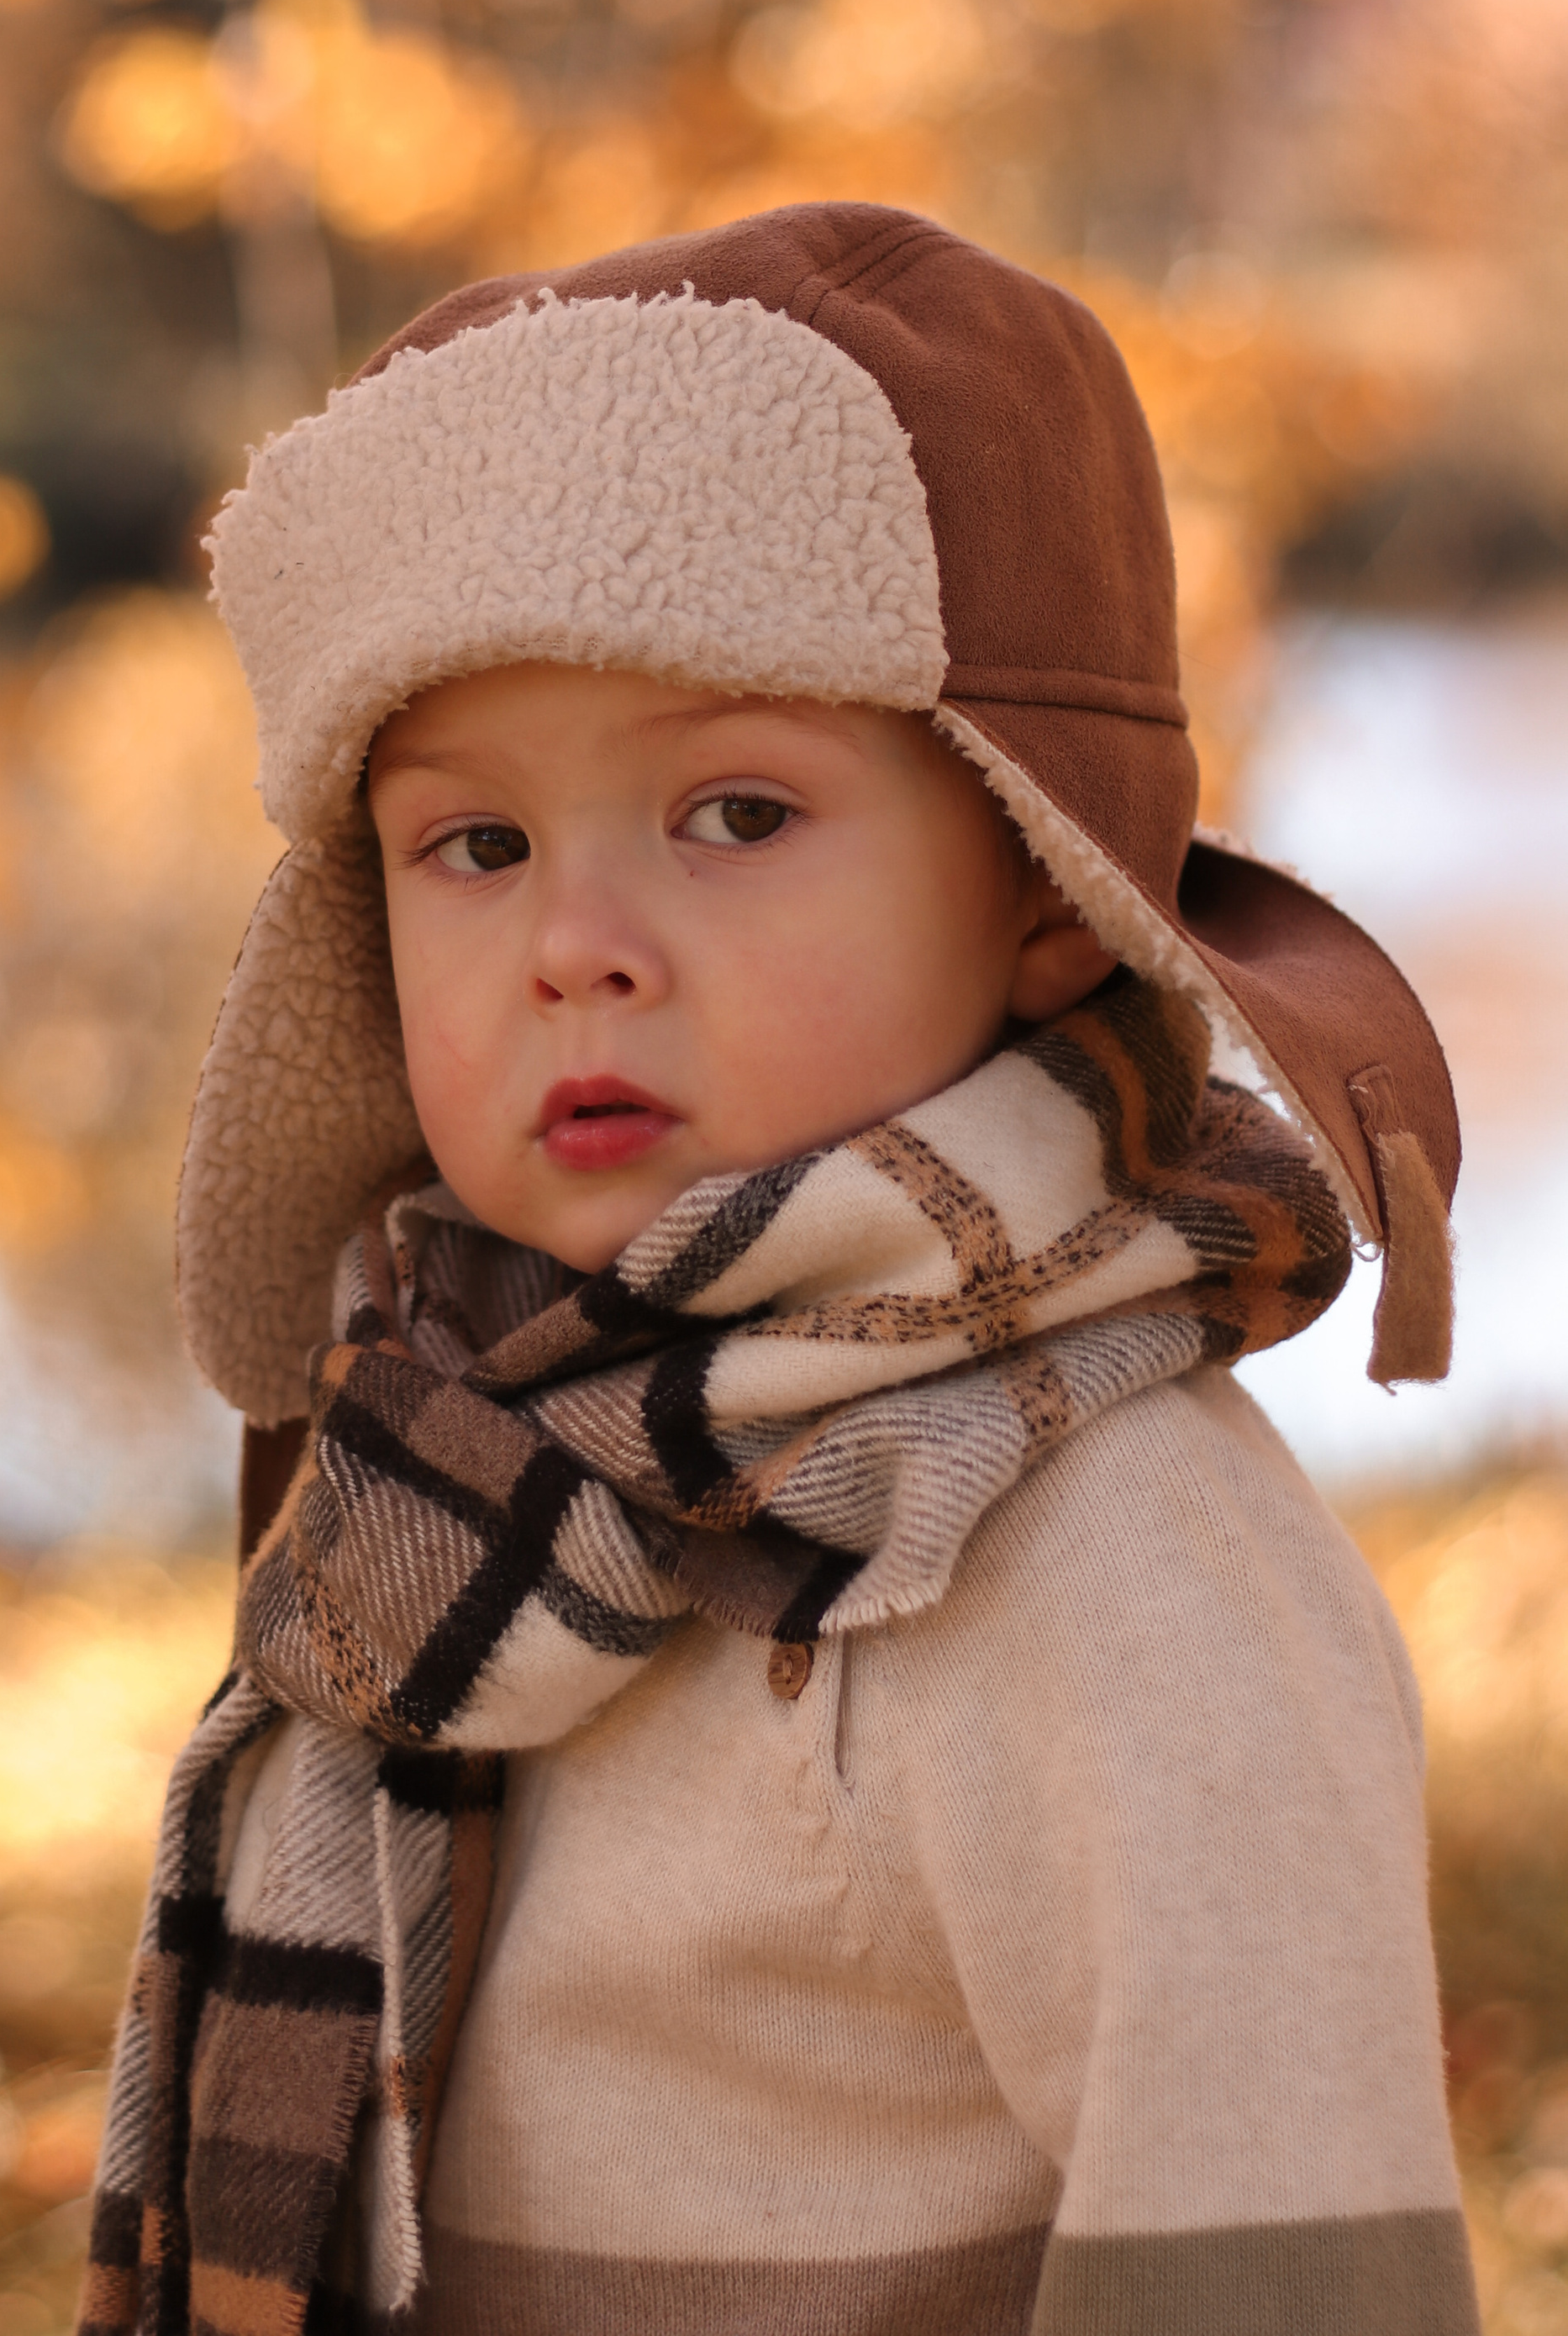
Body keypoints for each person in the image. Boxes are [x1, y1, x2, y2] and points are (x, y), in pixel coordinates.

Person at [78, 203, 1478, 2336]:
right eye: (476, 845)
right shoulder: (453, 1481)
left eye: (733, 814)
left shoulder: (1107, 1569)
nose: (574, 943)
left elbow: (1280, 2259)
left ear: (1043, 890)